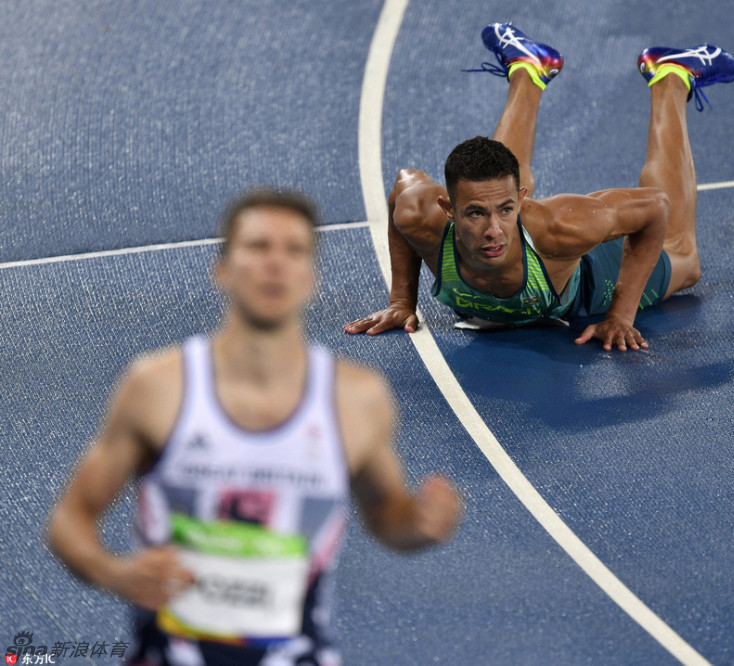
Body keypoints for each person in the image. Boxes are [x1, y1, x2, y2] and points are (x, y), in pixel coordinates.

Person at [47, 188, 462, 666]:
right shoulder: (157, 387)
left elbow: (388, 518)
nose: (275, 264)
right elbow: (69, 518)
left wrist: (420, 525)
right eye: (258, 247)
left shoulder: (357, 400)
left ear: (312, 277)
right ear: (222, 269)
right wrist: (114, 573)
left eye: (294, 251)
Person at [344, 23, 734, 351]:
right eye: (475, 214)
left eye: (505, 209)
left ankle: (672, 76)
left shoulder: (562, 229)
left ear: (522, 200)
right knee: (492, 179)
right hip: (514, 237)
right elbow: (402, 188)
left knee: (684, 258)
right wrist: (401, 300)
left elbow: (655, 207)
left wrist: (620, 315)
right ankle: (529, 68)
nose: (493, 230)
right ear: (448, 210)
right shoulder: (420, 215)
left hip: (581, 287)